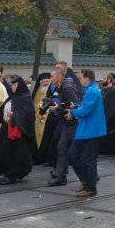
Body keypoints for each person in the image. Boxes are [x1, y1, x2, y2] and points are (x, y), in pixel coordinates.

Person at [0, 75, 36, 184]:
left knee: (16, 153)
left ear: (20, 85)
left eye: (15, 84)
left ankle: (12, 175)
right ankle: (10, 173)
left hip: (18, 130)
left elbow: (28, 114)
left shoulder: (24, 97)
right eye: (12, 84)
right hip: (7, 127)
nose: (13, 87)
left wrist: (14, 115)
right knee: (4, 150)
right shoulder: (13, 96)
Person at [69, 69, 107, 198]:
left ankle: (90, 186)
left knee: (87, 159)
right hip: (87, 130)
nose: (80, 80)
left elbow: (85, 111)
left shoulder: (92, 92)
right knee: (76, 156)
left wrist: (73, 111)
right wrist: (75, 108)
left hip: (90, 131)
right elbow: (85, 108)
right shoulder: (91, 91)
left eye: (81, 78)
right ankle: (86, 182)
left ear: (87, 78)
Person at [46, 67, 80, 186]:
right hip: (66, 122)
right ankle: (60, 175)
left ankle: (89, 177)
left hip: (73, 124)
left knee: (71, 150)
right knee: (62, 148)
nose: (51, 78)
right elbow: (66, 104)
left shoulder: (67, 87)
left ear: (60, 76)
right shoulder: (60, 86)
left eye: (52, 76)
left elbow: (75, 104)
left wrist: (60, 108)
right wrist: (59, 106)